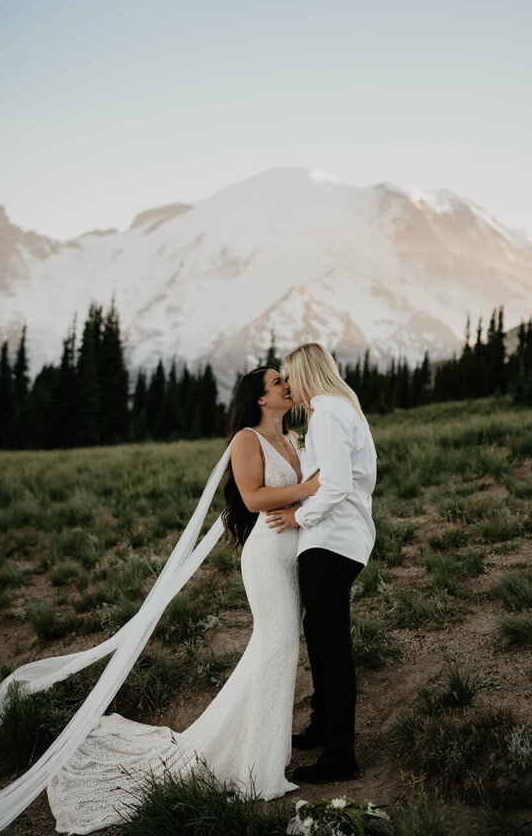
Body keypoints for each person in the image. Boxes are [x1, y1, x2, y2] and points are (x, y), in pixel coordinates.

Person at [44, 365, 319, 832]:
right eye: (277, 382)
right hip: (268, 559)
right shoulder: (246, 440)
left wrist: (303, 505)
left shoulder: (294, 438)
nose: (287, 386)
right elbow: (252, 499)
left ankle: (257, 748)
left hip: (296, 552)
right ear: (258, 398)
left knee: (279, 650)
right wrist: (309, 490)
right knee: (276, 647)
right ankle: (256, 763)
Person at [266, 343, 377, 783]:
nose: (287, 385)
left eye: (290, 376)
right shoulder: (339, 410)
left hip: (329, 542)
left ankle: (340, 756)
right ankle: (323, 724)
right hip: (341, 540)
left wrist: (298, 516)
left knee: (332, 648)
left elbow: (334, 486)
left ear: (307, 373)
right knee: (320, 636)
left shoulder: (329, 413)